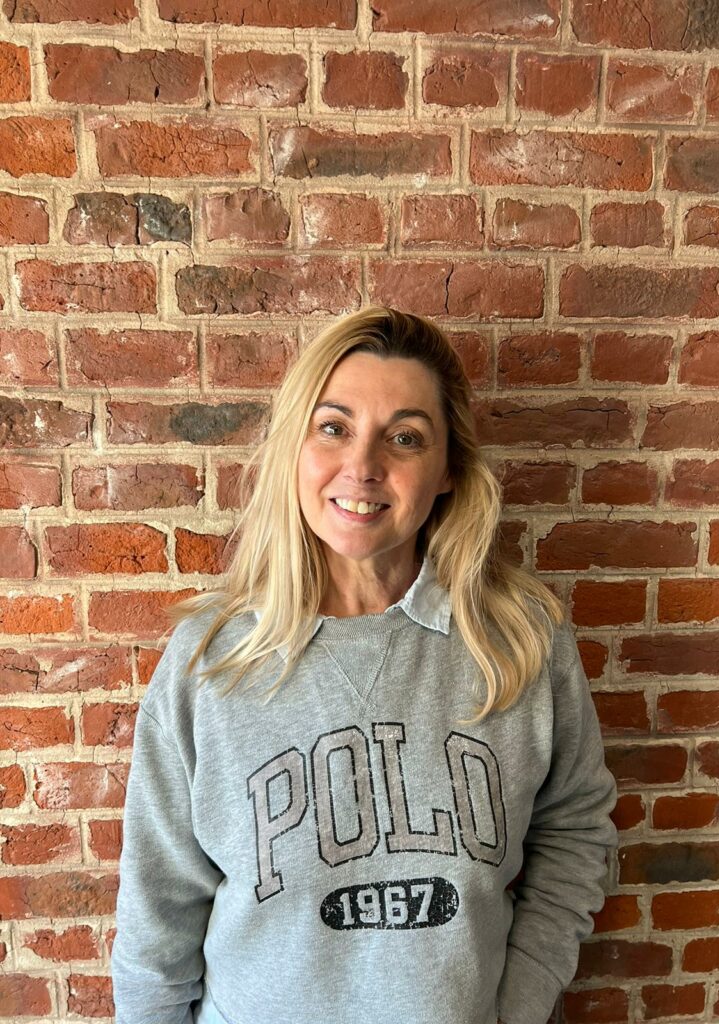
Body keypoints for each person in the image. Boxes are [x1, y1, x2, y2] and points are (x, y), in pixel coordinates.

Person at [110, 305, 618, 1024]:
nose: (363, 467)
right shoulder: (210, 659)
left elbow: (575, 831)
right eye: (333, 427)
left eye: (405, 437)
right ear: (295, 447)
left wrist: (519, 1003)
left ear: (448, 469)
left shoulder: (520, 639)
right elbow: (157, 911)